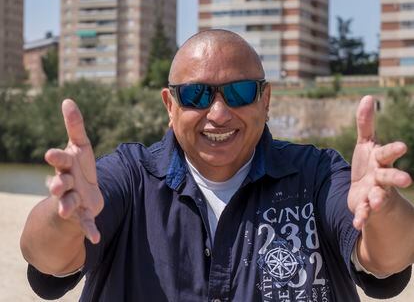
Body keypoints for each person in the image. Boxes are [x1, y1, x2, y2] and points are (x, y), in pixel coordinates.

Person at [20, 30, 414, 302]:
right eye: (197, 95)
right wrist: (65, 218)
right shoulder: (130, 176)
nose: (219, 113)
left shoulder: (317, 176)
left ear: (265, 99)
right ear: (169, 106)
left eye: (239, 92)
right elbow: (46, 258)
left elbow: (387, 259)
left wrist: (383, 210)